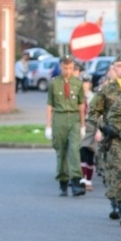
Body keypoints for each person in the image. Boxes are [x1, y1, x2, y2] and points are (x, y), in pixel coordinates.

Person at [89, 54, 121, 225]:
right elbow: (93, 112)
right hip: (115, 137)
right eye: (120, 65)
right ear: (114, 69)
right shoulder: (107, 90)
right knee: (119, 171)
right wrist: (103, 126)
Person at [45, 55, 86, 196]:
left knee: (74, 150)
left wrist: (82, 125)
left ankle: (75, 182)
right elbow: (50, 105)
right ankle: (63, 181)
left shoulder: (78, 83)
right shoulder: (54, 83)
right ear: (60, 67)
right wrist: (48, 126)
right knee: (61, 151)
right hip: (60, 118)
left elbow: (81, 105)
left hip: (74, 117)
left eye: (70, 68)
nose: (67, 70)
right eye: (64, 67)